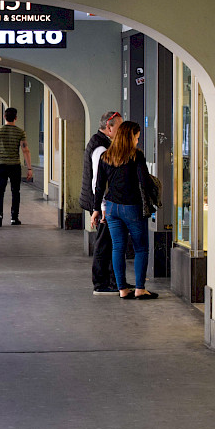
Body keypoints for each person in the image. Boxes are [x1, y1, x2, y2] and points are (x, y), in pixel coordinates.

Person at [91, 121, 158, 299]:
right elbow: (144, 182)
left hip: (112, 208)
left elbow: (99, 186)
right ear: (130, 137)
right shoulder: (136, 156)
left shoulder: (106, 156)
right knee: (141, 248)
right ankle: (140, 289)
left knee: (118, 248)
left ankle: (122, 290)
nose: (137, 141)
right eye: (136, 137)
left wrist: (96, 209)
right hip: (132, 208)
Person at [80, 111, 125, 295]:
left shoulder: (101, 143)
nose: (122, 131)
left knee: (110, 242)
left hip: (104, 204)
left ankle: (114, 282)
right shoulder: (101, 148)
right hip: (106, 206)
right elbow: (98, 181)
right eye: (119, 127)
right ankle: (101, 283)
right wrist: (101, 208)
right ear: (109, 126)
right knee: (105, 243)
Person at [0, 107, 33, 226]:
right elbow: (25, 150)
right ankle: (14, 217)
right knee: (15, 191)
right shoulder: (20, 132)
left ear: (4, 117)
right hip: (15, 166)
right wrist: (29, 168)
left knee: (0, 191)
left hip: (1, 165)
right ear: (16, 118)